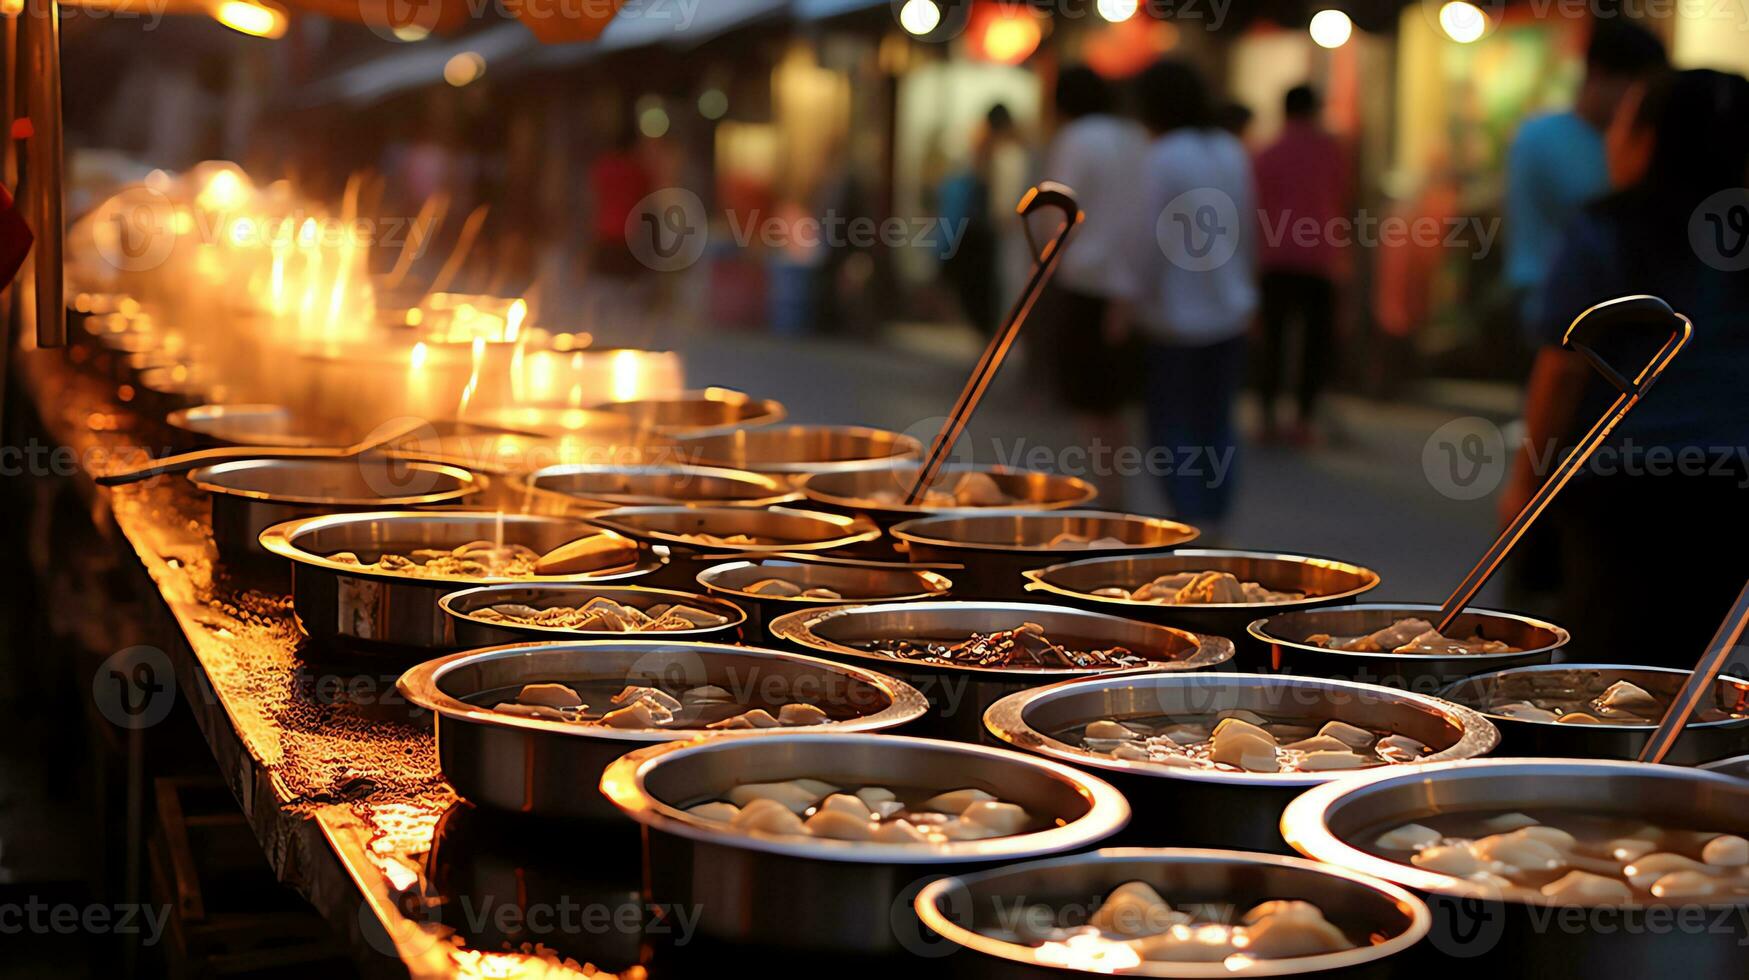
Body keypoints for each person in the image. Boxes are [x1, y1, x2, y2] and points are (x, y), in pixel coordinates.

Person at [1502, 68, 1749, 665]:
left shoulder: (1607, 230)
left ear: (1650, 139)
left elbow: (1563, 369)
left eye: (1621, 124)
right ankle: (1686, 760)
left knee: (1610, 670)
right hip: (1733, 491)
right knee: (1700, 668)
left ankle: (1625, 760)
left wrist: (1524, 484)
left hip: (1618, 488)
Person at [1114, 60, 1257, 533]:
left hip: (1174, 313)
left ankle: (1190, 519)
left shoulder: (1162, 157)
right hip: (1229, 307)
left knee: (1172, 422)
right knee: (1216, 421)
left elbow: (1145, 238)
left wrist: (1127, 298)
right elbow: (1249, 226)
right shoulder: (1229, 151)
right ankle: (1214, 516)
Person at [1503, 21, 1665, 337]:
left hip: (1588, 307)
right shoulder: (1541, 139)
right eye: (1635, 87)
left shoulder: (1539, 135)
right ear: (1600, 74)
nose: (1641, 102)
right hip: (1555, 306)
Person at [1036, 66, 1148, 503]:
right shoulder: (1134, 137)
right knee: (1112, 401)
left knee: (1090, 400)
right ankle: (1114, 494)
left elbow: (1058, 207)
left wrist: (1044, 257)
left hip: (1086, 280)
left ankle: (1106, 498)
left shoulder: (1077, 138)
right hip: (1128, 283)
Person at [1251, 84, 1348, 444]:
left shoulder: (1267, 152)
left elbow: (1256, 204)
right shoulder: (1332, 151)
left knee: (1273, 341)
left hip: (1276, 259)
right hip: (1320, 259)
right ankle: (1303, 421)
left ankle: (1267, 420)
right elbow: (1343, 197)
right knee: (1314, 345)